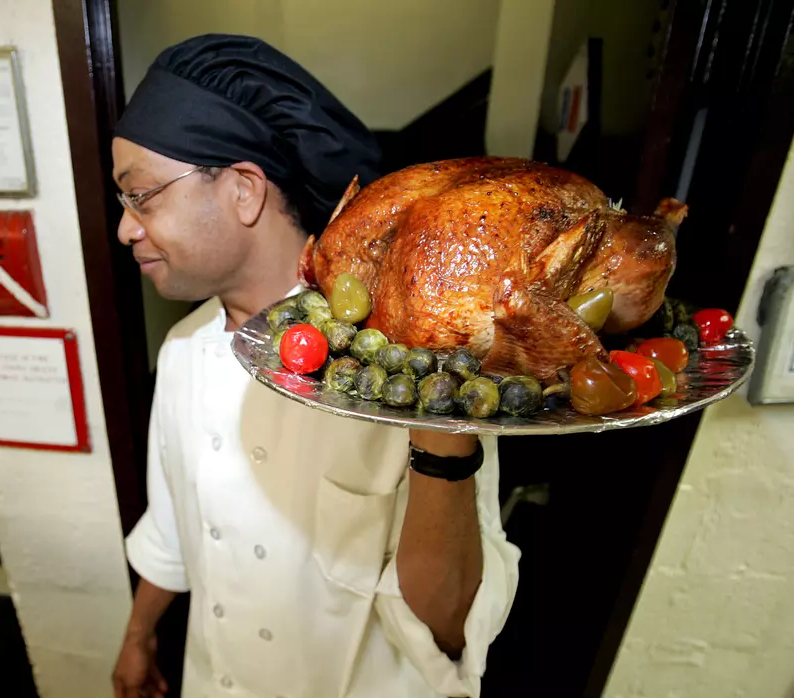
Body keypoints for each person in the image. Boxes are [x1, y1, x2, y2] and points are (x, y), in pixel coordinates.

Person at [111, 34, 520, 698]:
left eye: (141, 196)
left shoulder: (410, 367)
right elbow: (173, 525)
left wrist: (440, 434)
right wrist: (138, 636)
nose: (126, 228)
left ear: (244, 190)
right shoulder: (184, 348)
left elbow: (450, 625)